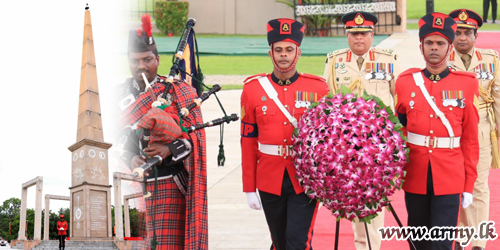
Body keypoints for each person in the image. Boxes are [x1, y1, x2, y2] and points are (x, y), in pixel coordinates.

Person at [117, 14, 207, 249]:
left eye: (147, 59)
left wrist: (168, 149)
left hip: (170, 185)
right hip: (129, 187)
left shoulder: (179, 91)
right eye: (135, 61)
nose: (141, 66)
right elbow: (113, 139)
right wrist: (130, 157)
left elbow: (194, 139)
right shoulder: (116, 95)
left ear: (157, 59)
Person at [240, 18, 330, 249]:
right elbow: (248, 142)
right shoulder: (253, 90)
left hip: (306, 178)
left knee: (297, 241)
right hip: (269, 176)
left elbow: (328, 140)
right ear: (270, 53)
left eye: (289, 50)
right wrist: (249, 187)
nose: (283, 55)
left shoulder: (319, 89)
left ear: (298, 53)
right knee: (279, 242)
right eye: (278, 49)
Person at [395, 12, 479, 250]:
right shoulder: (405, 82)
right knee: (418, 242)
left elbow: (471, 139)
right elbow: (398, 128)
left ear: (449, 47)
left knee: (441, 244)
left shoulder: (467, 83)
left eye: (440, 43)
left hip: (450, 177)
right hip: (416, 175)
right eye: (429, 43)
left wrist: (469, 184)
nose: (434, 48)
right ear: (421, 47)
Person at [323, 11, 402, 250]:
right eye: (354, 34)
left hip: (379, 145)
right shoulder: (335, 61)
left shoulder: (388, 59)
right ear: (347, 35)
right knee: (354, 198)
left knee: (375, 199)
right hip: (347, 144)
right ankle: (361, 245)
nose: (359, 39)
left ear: (372, 34)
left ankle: (371, 247)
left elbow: (398, 100)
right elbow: (327, 101)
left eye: (364, 34)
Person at [448, 9, 500, 250]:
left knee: (479, 186)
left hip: (481, 130)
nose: (462, 38)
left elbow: (498, 97)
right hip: (451, 133)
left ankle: (478, 242)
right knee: (456, 186)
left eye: (467, 32)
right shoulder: (441, 59)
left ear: (476, 35)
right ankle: (460, 237)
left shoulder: (490, 59)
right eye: (457, 33)